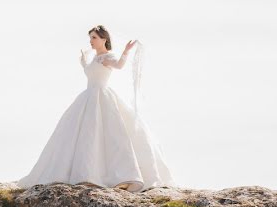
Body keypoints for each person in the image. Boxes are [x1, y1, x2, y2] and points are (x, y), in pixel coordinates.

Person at [15, 24, 175, 192]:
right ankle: (83, 173)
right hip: (88, 96)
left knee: (110, 135)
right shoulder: (94, 58)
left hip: (101, 97)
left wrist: (126, 52)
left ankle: (115, 175)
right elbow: (92, 72)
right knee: (82, 135)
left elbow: (119, 65)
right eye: (90, 37)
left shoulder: (106, 57)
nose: (91, 41)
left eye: (94, 37)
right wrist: (84, 63)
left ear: (103, 39)